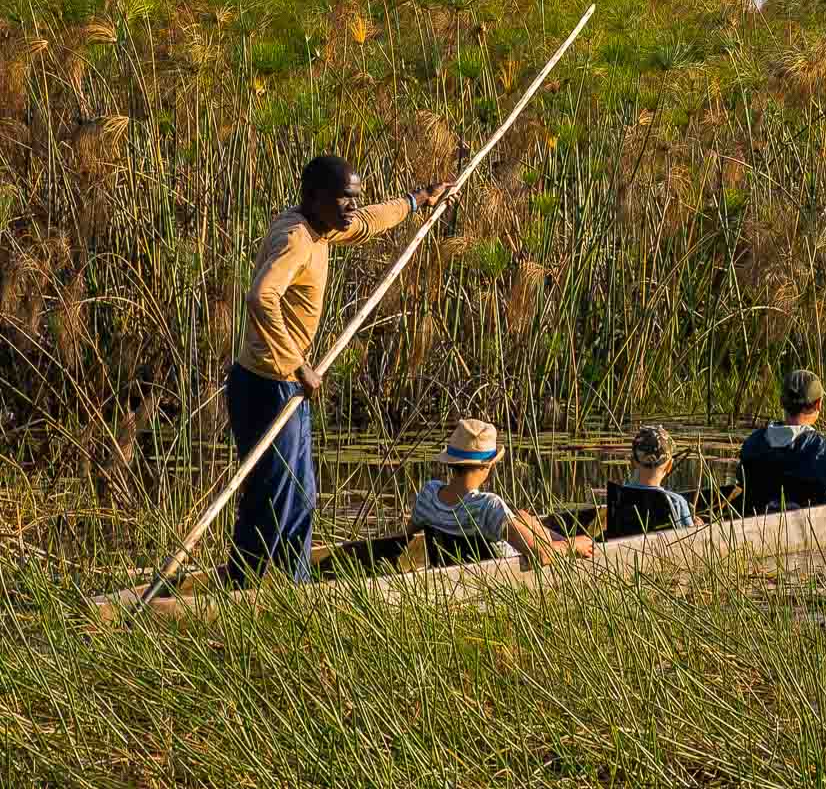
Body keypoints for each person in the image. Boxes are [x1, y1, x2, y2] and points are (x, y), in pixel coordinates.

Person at [226, 154, 451, 585]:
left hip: (283, 385)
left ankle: (294, 581)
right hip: (268, 385)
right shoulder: (295, 237)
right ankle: (246, 588)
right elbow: (261, 297)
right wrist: (298, 365)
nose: (352, 207)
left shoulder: (323, 227)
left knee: (299, 492)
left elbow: (366, 221)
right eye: (345, 199)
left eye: (355, 199)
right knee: (273, 496)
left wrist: (417, 201)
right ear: (315, 197)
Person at [408, 418, 594, 566]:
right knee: (552, 535)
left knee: (522, 516)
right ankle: (587, 548)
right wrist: (574, 545)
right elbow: (541, 555)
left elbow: (409, 535)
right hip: (501, 575)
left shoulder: (428, 494)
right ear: (488, 465)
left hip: (452, 573)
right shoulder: (488, 507)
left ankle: (559, 538)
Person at [738, 370, 826, 513]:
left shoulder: (754, 441)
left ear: (782, 402)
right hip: (801, 527)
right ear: (818, 404)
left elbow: (741, 477)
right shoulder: (819, 448)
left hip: (755, 519)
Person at [618, 426, 697, 529]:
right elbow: (689, 538)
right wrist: (697, 527)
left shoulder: (618, 495)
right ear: (669, 466)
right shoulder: (676, 501)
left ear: (632, 462)